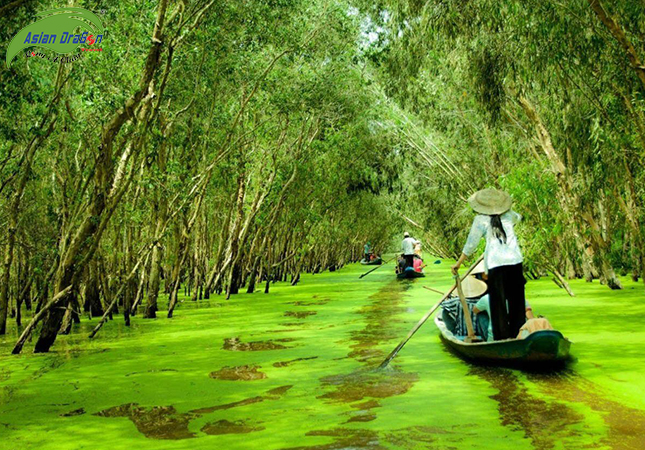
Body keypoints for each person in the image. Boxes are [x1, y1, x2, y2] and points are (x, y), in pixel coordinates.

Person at [451, 188, 525, 340]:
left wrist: (458, 264)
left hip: (496, 264)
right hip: (515, 261)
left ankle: (502, 340)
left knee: (498, 306)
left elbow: (471, 244)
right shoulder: (509, 215)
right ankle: (519, 336)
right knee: (517, 302)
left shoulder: (480, 220)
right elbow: (520, 218)